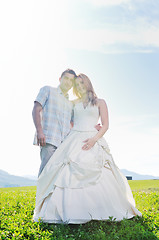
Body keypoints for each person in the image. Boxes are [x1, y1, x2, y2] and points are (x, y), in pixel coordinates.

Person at [33, 73, 142, 224]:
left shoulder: (100, 102)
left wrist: (93, 139)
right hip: (74, 139)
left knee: (101, 170)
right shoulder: (73, 103)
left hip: (93, 138)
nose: (80, 87)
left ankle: (103, 209)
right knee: (65, 171)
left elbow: (105, 125)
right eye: (77, 85)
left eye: (82, 83)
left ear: (88, 83)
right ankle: (64, 210)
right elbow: (67, 120)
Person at [32, 69, 77, 177]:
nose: (68, 82)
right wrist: (39, 131)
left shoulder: (70, 104)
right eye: (66, 78)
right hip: (49, 139)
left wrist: (93, 126)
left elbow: (74, 123)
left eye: (71, 81)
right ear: (60, 79)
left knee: (60, 176)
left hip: (64, 144)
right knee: (46, 173)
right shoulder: (48, 90)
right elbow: (36, 109)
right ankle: (41, 194)